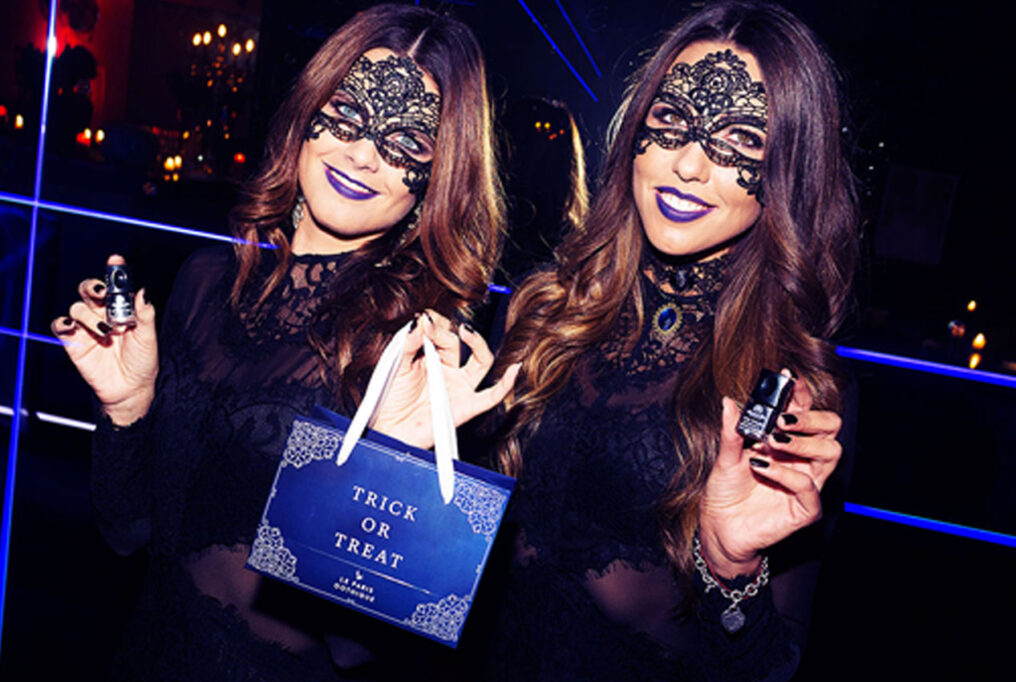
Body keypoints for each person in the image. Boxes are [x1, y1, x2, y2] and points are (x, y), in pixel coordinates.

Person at [51, 5, 514, 680]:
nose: (363, 153)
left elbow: (358, 647)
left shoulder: (414, 346)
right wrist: (128, 407)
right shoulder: (205, 281)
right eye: (348, 115)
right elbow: (128, 532)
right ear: (308, 111)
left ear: (436, 177)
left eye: (406, 143)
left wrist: (388, 459)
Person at [486, 1, 857, 679]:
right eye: (672, 120)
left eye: (740, 140)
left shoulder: (792, 391)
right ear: (637, 129)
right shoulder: (542, 313)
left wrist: (732, 569)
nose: (689, 164)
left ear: (786, 172)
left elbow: (772, 670)